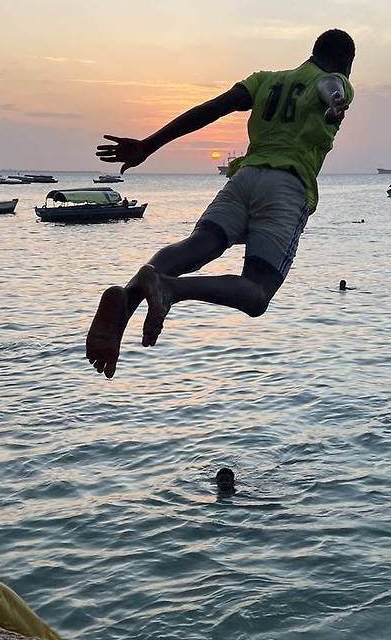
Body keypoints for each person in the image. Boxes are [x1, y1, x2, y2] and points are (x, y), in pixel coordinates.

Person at [86, 29, 356, 378]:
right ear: (347, 64)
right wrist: (335, 100)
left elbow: (211, 109)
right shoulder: (336, 81)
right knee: (256, 294)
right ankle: (169, 289)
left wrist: (148, 146)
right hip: (286, 188)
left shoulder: (266, 80)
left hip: (244, 179)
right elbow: (329, 86)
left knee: (197, 245)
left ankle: (127, 298)